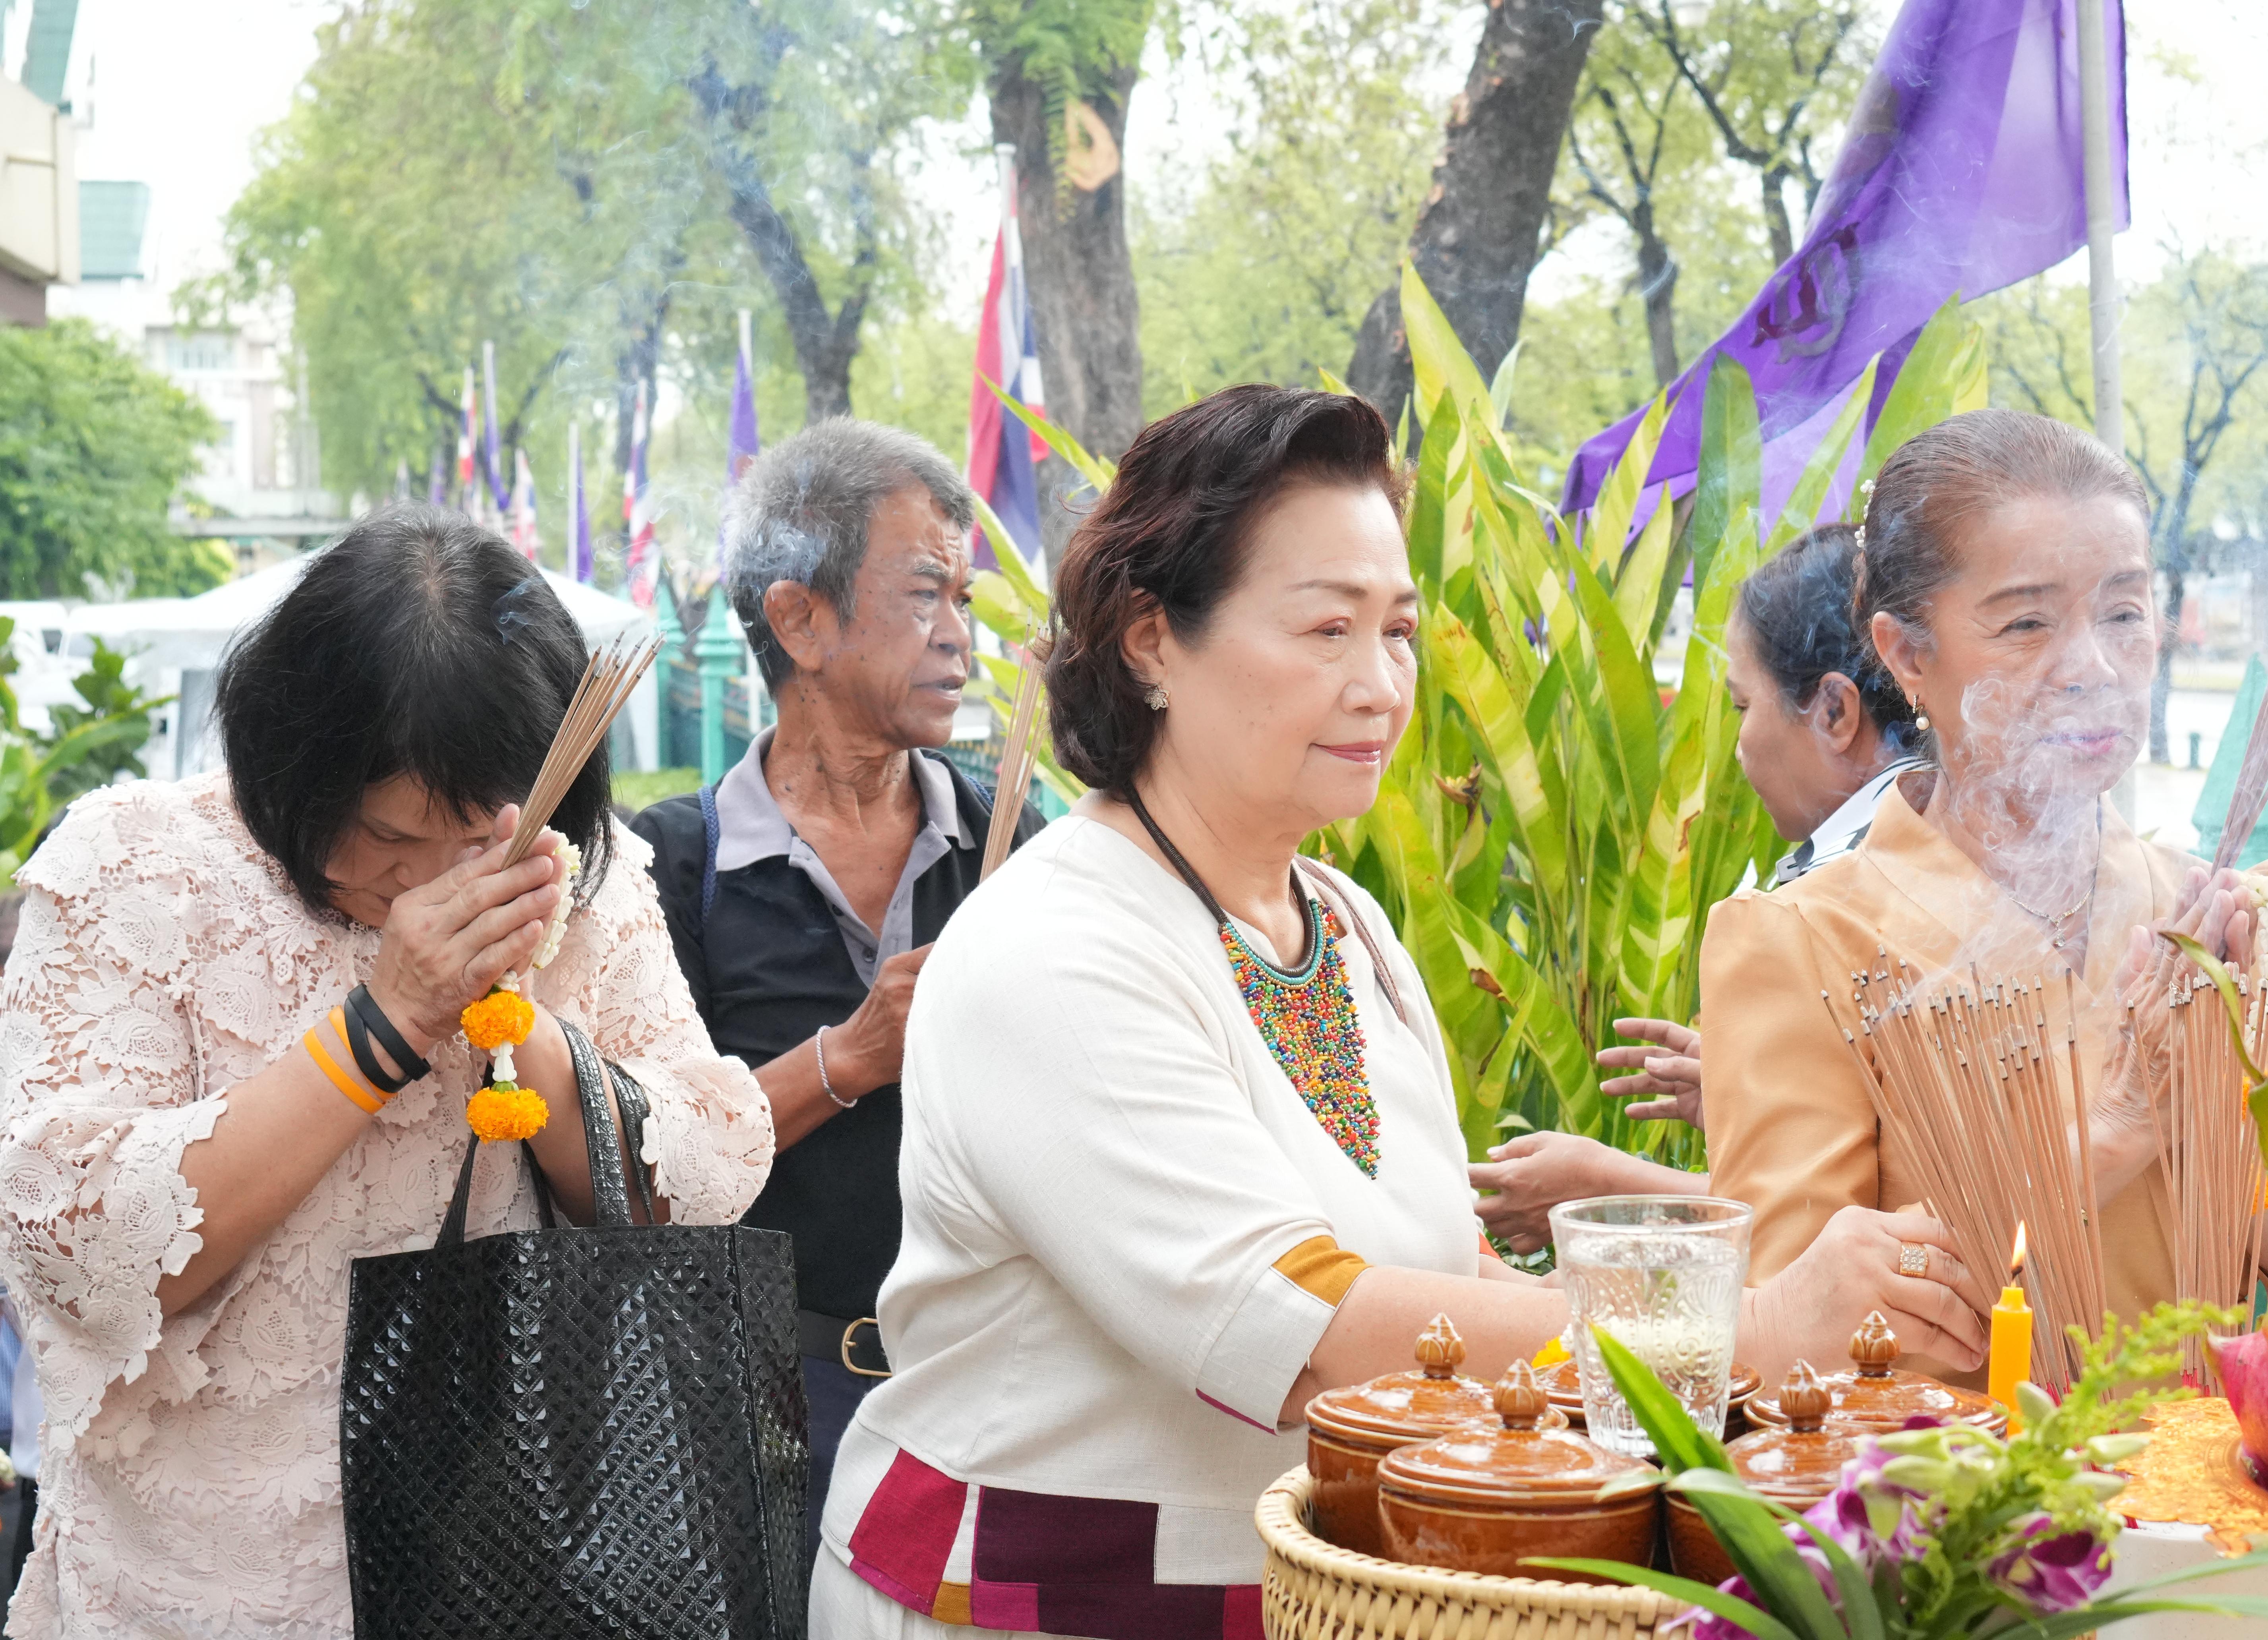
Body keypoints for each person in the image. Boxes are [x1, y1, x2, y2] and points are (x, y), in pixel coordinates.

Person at [810, 386, 1978, 1639]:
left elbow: (1434, 1271)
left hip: (1313, 1596)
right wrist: (1740, 1326)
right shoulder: (1056, 946)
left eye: (1400, 632)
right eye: (1326, 630)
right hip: (1026, 1609)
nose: (1381, 685)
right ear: (1151, 639)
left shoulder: (1345, 927)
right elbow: (1304, 1330)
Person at [0, 509, 772, 1637]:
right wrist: (387, 1022)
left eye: (476, 843)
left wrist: (526, 1026)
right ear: (291, 765)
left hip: (507, 1569)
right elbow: (73, 1245)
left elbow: (702, 1188)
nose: (430, 885)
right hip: (189, 1586)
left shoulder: (581, 882)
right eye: (389, 837)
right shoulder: (136, 865)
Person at [1699, 408, 2267, 1379]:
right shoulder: (1803, 945)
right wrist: (2118, 1130)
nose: (2093, 668)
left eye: (2125, 614)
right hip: (1961, 1514)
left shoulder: (2201, 915)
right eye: (2026, 624)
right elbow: (1797, 1348)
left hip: (2219, 1515)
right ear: (1908, 654)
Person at [632, 418, 1040, 1543]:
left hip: (999, 1397)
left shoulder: (1017, 844)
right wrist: (853, 1058)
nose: (961, 637)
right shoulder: (672, 864)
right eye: (927, 595)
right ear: (799, 620)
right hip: (768, 1412)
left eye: (966, 599)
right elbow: (637, 1167)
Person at [1472, 522, 1928, 1253]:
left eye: (1745, 708)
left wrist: (1612, 1186)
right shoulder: (1966, 845)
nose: (1740, 744)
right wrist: (1766, 1099)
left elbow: (1814, 1248)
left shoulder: (1816, 910)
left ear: (1836, 712)